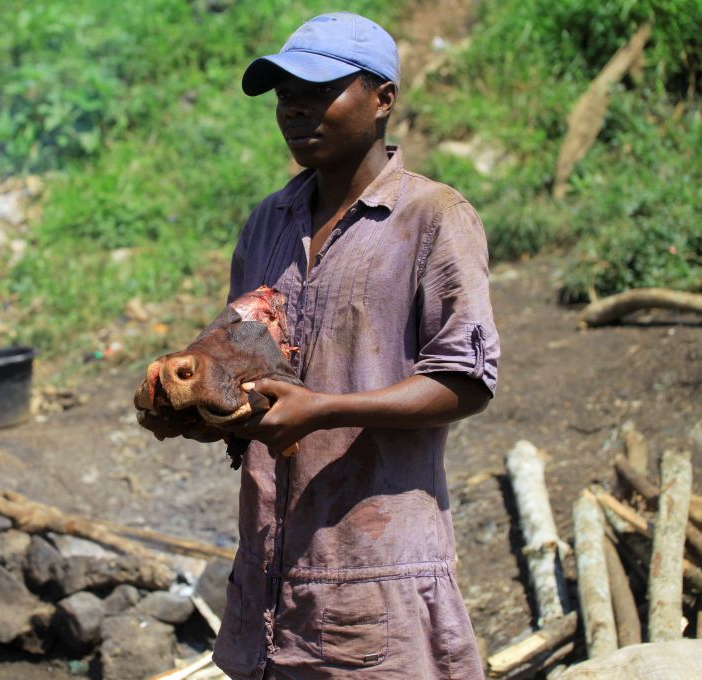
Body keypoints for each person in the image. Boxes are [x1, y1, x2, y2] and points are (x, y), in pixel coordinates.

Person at [141, 11, 499, 679]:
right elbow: (252, 353)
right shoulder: (268, 223)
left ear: (383, 98)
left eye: (319, 90)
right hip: (272, 564)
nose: (295, 109)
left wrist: (323, 409)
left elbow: (467, 380)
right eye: (284, 95)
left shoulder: (432, 218)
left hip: (374, 564)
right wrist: (201, 400)